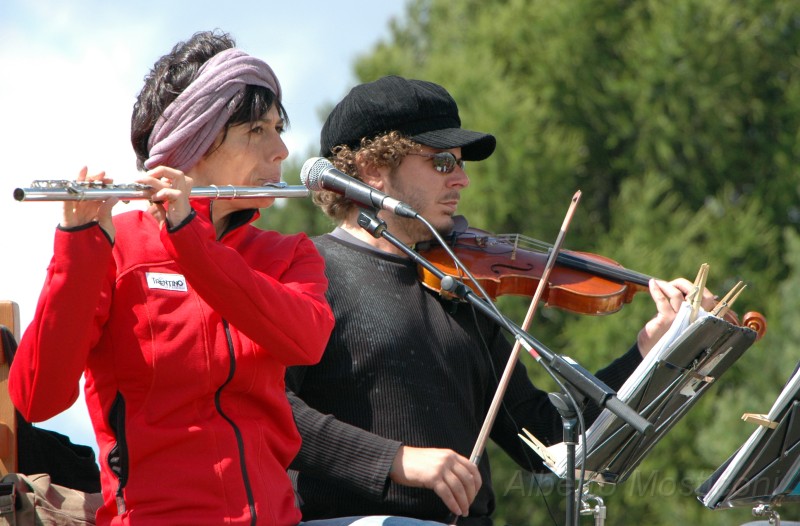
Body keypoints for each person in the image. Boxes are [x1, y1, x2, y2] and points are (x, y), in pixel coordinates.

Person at [286, 75, 719, 526]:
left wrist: (646, 350)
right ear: (374, 168)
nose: (463, 179)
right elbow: (271, 410)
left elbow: (544, 438)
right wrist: (396, 460)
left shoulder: (459, 284)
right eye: (441, 164)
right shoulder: (309, 270)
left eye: (460, 164)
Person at [9, 30, 336, 525]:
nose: (281, 151)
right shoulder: (117, 248)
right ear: (195, 142)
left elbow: (306, 340)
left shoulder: (288, 253)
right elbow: (36, 398)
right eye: (257, 131)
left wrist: (191, 238)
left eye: (278, 128)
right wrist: (77, 249)